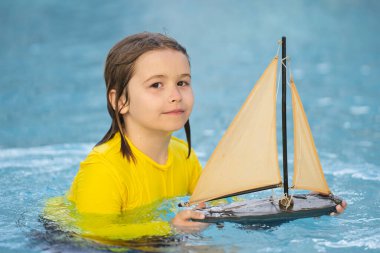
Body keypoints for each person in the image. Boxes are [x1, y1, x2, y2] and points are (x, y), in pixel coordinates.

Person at [46, 32, 346, 241]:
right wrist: (168, 228)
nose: (175, 96)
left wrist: (303, 209)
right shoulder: (103, 169)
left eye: (183, 82)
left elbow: (221, 209)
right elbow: (93, 235)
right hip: (65, 241)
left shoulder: (184, 156)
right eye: (156, 85)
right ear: (119, 100)